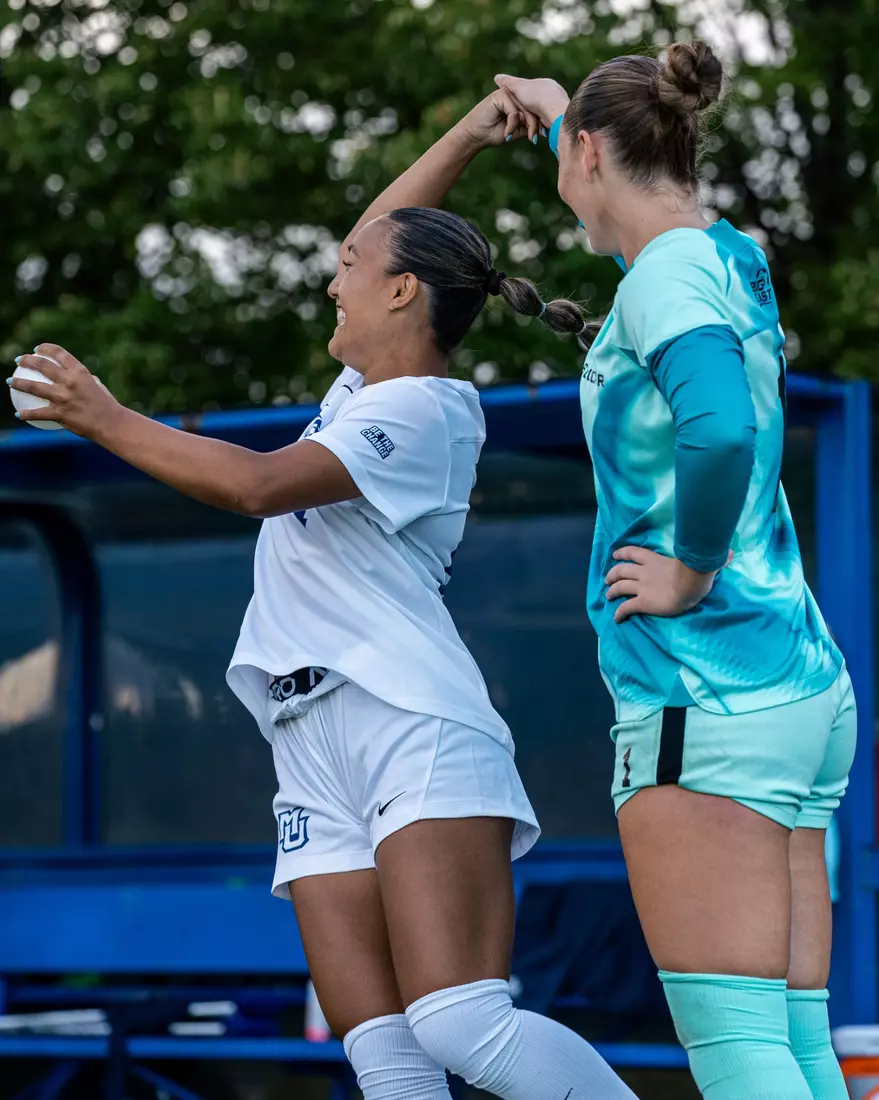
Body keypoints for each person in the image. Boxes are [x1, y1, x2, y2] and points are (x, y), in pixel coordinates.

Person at [11, 90, 638, 1100]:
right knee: (383, 1052)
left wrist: (105, 417)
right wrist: (468, 134)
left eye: (351, 269)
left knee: (460, 1021)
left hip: (408, 724)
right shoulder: (360, 395)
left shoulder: (427, 411)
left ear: (403, 294)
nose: (333, 279)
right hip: (308, 739)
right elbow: (381, 232)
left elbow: (257, 486)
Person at [495, 41, 856, 1100]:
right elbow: (642, 233)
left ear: (593, 154)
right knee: (791, 1042)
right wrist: (558, 112)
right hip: (792, 689)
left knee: (739, 1052)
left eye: (572, 158)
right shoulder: (723, 252)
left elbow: (717, 426)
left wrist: (690, 571)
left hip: (707, 699)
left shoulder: (663, 279)